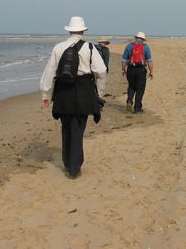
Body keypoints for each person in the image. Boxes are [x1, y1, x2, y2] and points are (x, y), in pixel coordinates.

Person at [40, 16, 107, 179]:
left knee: (66, 128)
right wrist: (99, 93)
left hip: (63, 92)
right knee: (78, 129)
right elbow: (101, 71)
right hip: (83, 91)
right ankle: (74, 168)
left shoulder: (58, 47)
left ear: (69, 30)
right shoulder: (89, 48)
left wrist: (46, 94)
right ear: (83, 31)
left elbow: (49, 72)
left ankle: (67, 162)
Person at [121, 31, 153, 114]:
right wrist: (151, 71)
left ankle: (129, 101)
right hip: (141, 70)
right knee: (140, 88)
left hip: (131, 69)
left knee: (131, 86)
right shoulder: (145, 47)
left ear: (135, 38)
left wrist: (123, 69)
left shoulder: (129, 46)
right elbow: (149, 61)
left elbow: (124, 59)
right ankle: (137, 108)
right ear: (143, 39)